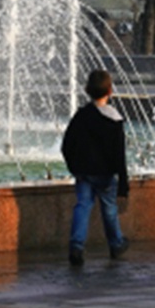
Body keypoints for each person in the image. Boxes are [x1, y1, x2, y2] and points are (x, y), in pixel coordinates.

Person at [61, 69, 131, 267]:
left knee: (82, 206)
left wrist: (73, 166)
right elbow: (120, 155)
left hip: (84, 173)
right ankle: (116, 243)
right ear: (110, 91)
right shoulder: (115, 120)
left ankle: (76, 245)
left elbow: (67, 144)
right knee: (109, 209)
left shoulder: (81, 116)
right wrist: (124, 183)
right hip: (106, 174)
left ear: (87, 90)